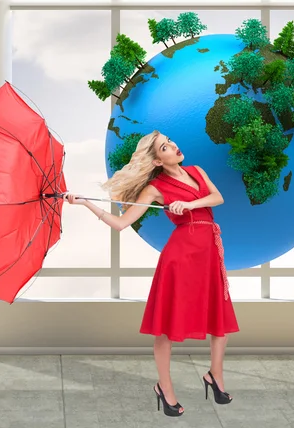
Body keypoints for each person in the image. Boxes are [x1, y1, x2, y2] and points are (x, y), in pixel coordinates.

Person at [64, 130, 240, 417]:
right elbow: (121, 224)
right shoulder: (155, 189)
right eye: (165, 147)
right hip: (180, 258)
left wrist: (190, 204)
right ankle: (165, 387)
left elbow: (217, 198)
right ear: (157, 160)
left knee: (220, 319)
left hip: (209, 253)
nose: (173, 146)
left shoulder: (196, 171)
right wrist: (85, 203)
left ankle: (215, 377)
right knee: (167, 326)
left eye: (171, 141)